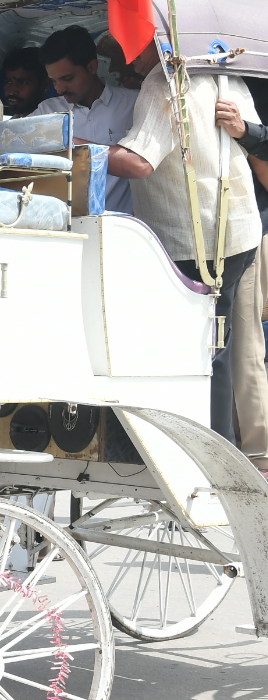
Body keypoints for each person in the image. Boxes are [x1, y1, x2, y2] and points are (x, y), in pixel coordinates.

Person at [107, 54, 261, 443]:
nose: (123, 58)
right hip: (236, 233)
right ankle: (220, 449)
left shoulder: (163, 84)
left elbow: (139, 161)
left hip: (193, 241)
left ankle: (202, 454)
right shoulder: (225, 77)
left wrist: (70, 145)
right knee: (216, 349)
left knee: (195, 352)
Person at [31, 25, 138, 214]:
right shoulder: (46, 112)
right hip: (64, 225)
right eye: (54, 81)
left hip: (122, 227)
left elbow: (142, 164)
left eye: (67, 78)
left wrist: (70, 143)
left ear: (92, 66)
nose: (60, 88)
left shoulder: (133, 104)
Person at [219, 89, 268, 472]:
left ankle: (257, 450)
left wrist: (247, 132)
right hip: (223, 230)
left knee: (244, 341)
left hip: (247, 232)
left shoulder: (239, 90)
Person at [1, 47, 49, 118]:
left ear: (45, 84)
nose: (12, 92)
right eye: (8, 82)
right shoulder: (6, 126)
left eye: (23, 83)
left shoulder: (57, 123)